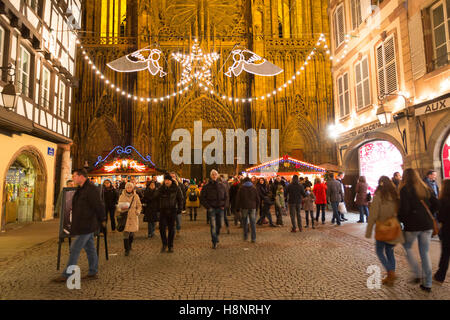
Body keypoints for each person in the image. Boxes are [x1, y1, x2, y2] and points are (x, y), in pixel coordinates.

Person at [53, 169, 106, 282]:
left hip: (87, 224)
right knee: (90, 248)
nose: (73, 178)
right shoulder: (81, 189)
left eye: (75, 176)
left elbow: (99, 205)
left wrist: (103, 219)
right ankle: (93, 271)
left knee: (75, 248)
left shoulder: (91, 189)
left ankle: (67, 274)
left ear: (81, 176)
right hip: (82, 223)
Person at [398, 168, 439, 292]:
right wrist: (428, 214)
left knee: (407, 246)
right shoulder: (425, 187)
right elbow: (437, 204)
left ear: (405, 177)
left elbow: (404, 209)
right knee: (424, 253)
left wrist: (401, 220)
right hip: (427, 225)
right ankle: (428, 284)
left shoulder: (405, 189)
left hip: (413, 225)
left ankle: (417, 272)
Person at [365, 176, 404, 286]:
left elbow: (373, 214)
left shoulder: (379, 196)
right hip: (393, 227)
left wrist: (368, 232)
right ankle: (390, 276)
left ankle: (390, 273)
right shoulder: (395, 195)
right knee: (389, 251)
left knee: (379, 251)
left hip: (383, 228)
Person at [200, 170, 228, 249]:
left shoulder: (221, 185)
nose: (214, 175)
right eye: (212, 174)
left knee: (220, 224)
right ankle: (214, 241)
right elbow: (202, 198)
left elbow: (226, 196)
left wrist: (224, 205)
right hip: (212, 208)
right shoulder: (206, 186)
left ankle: (216, 236)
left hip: (220, 208)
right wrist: (208, 207)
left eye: (215, 174)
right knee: (213, 226)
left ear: (218, 175)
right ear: (210, 176)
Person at [156, 174, 183, 253]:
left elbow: (180, 199)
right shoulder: (161, 189)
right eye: (165, 180)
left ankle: (170, 245)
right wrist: (158, 208)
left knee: (171, 229)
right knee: (162, 228)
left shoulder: (176, 188)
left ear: (171, 181)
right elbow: (156, 198)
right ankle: (164, 243)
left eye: (168, 180)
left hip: (172, 210)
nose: (167, 181)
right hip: (163, 211)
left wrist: (180, 208)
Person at [117, 182, 142, 256]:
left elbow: (139, 205)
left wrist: (137, 211)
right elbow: (119, 206)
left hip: (133, 216)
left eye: (130, 187)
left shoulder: (136, 196)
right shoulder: (122, 196)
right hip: (125, 216)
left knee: (131, 233)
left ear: (132, 188)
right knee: (126, 233)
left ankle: (130, 245)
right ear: (125, 188)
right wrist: (123, 207)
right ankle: (126, 249)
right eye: (127, 187)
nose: (129, 189)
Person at [434, 179, 450, 283]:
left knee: (446, 253)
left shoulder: (443, 200)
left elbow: (440, 218)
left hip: (447, 230)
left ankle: (440, 275)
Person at [236, 177, 260, 243]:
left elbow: (238, 199)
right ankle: (253, 238)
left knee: (245, 223)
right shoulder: (254, 188)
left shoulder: (241, 188)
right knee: (253, 223)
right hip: (253, 207)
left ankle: (245, 237)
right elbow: (257, 199)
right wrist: (257, 207)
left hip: (244, 207)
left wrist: (237, 208)